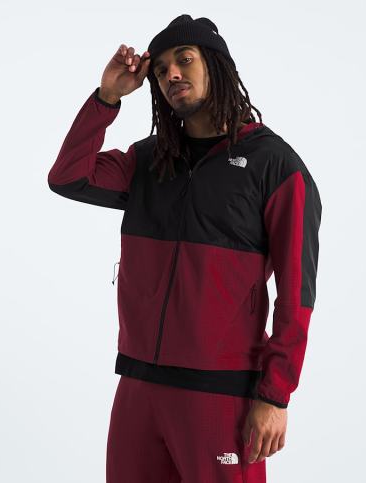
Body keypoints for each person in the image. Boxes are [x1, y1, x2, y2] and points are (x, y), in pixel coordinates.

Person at [48, 14, 322, 483]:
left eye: (185, 59)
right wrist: (107, 98)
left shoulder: (275, 167)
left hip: (220, 394)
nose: (171, 74)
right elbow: (68, 177)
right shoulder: (148, 160)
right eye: (160, 70)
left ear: (216, 65)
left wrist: (275, 396)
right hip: (138, 387)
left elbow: (297, 296)